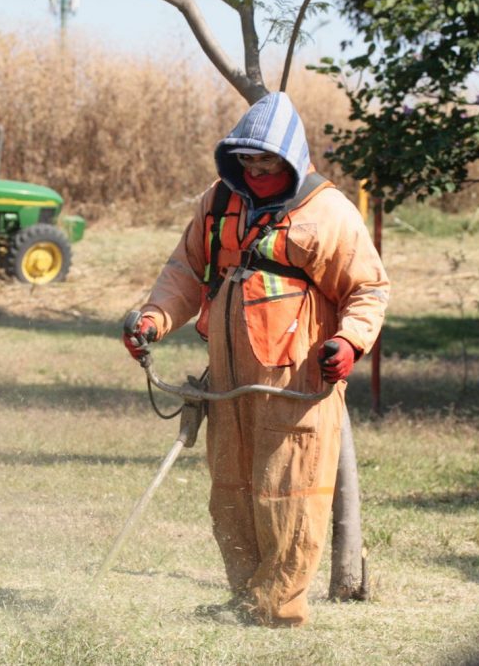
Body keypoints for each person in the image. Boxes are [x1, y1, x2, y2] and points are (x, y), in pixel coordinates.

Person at [122, 92, 389, 627]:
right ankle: (245, 596)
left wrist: (350, 342)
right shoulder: (219, 203)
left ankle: (278, 607)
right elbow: (184, 270)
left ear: (290, 158)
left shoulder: (330, 211)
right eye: (248, 160)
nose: (257, 170)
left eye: (267, 161)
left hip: (297, 382)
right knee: (231, 492)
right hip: (228, 380)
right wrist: (153, 317)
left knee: (289, 493)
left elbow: (368, 289)